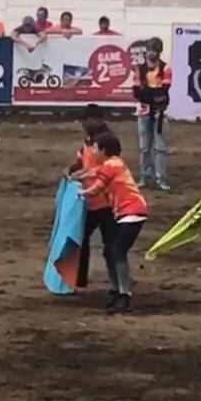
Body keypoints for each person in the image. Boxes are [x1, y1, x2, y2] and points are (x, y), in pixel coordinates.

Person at [76, 130, 147, 314]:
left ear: (104, 150)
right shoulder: (114, 163)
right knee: (111, 252)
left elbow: (96, 189)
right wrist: (79, 177)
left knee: (117, 252)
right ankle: (117, 291)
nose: (92, 150)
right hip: (129, 213)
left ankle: (124, 294)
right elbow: (93, 172)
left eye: (95, 147)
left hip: (131, 213)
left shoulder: (110, 166)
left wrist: (79, 193)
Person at [62, 105, 112, 291]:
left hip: (106, 201)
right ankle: (80, 280)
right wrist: (71, 169)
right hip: (91, 200)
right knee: (83, 239)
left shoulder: (107, 141)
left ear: (96, 120)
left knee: (109, 245)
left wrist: (79, 174)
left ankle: (117, 283)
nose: (83, 124)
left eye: (86, 120)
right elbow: (81, 160)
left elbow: (106, 168)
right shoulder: (90, 139)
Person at [132, 37, 172, 190]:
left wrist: (147, 92)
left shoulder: (165, 69)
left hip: (158, 112)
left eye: (153, 50)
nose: (150, 53)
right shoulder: (140, 69)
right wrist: (153, 94)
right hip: (145, 110)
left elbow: (164, 90)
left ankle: (160, 177)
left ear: (159, 52)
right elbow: (137, 93)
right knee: (144, 147)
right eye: (149, 50)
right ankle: (145, 176)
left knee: (160, 147)